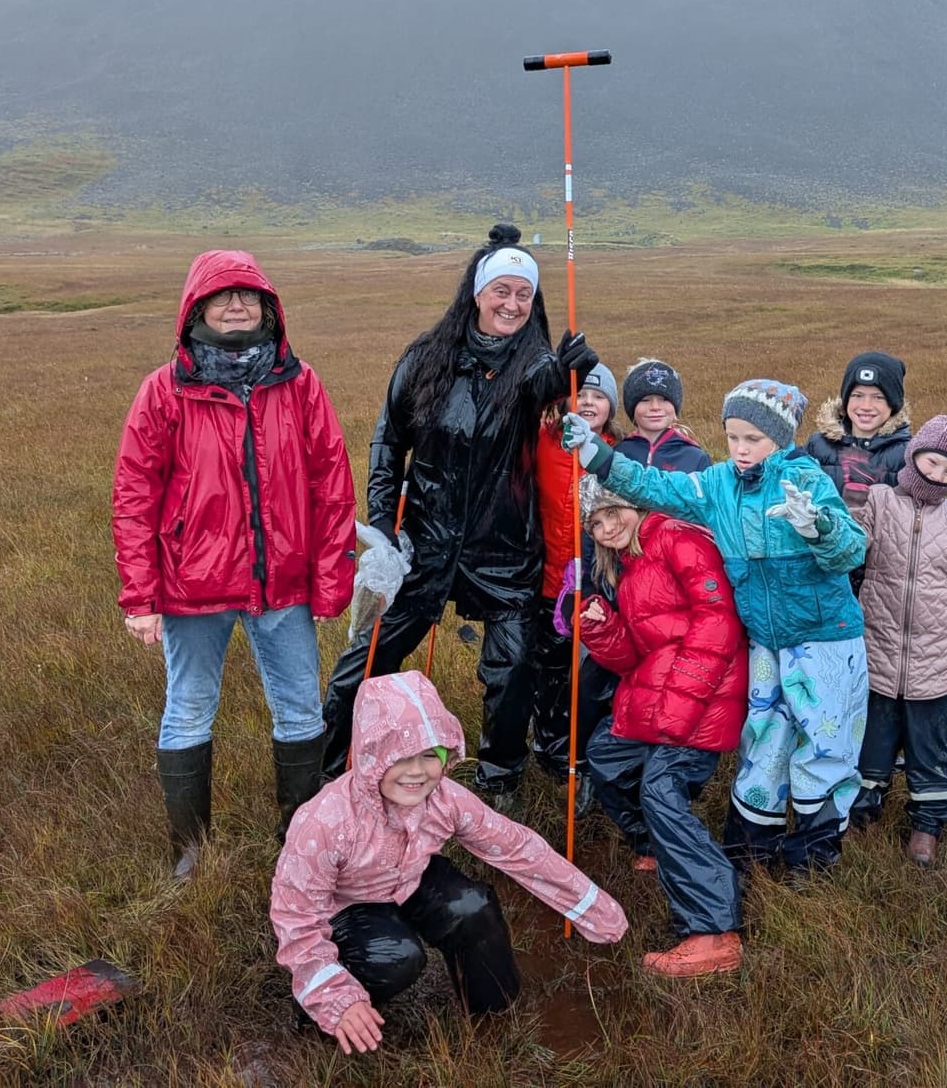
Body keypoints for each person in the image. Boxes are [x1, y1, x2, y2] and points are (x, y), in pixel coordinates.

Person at [317, 225, 599, 813]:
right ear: (476, 292)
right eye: (502, 291)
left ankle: (500, 776)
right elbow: (388, 443)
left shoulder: (536, 368)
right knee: (369, 657)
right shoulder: (425, 359)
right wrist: (382, 525)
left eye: (524, 294)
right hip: (425, 541)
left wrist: (578, 377)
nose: (512, 305)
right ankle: (325, 772)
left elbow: (551, 392)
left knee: (513, 666)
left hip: (505, 549)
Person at [112, 250, 357, 880]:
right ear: (195, 310)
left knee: (302, 710)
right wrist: (139, 596)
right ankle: (189, 856)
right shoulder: (164, 391)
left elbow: (332, 484)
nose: (237, 306)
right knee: (188, 708)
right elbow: (134, 495)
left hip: (285, 588)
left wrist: (333, 582)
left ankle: (298, 848)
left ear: (270, 309)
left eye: (249, 296)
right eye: (223, 297)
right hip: (191, 589)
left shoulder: (300, 384)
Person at [562, 379, 870, 877]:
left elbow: (852, 550)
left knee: (824, 743)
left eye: (754, 438)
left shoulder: (807, 480)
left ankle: (812, 860)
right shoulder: (718, 485)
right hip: (765, 640)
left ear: (782, 437)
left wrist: (819, 528)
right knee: (764, 741)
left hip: (824, 636)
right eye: (733, 437)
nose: (742, 449)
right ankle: (751, 850)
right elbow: (654, 487)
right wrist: (597, 453)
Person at [273, 672, 628, 1055]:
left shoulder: (445, 799)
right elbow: (296, 915)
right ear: (371, 756)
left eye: (431, 755)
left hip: (409, 878)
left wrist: (590, 903)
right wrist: (332, 995)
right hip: (347, 905)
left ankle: (492, 1015)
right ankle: (326, 1013)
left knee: (473, 907)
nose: (417, 771)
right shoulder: (325, 821)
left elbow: (518, 848)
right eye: (400, 757)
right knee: (397, 956)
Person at [577, 477, 749, 976]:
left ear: (636, 503)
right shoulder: (629, 565)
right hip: (659, 694)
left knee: (661, 788)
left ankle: (714, 930)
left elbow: (718, 625)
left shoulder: (678, 538)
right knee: (607, 757)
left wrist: (675, 714)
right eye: (596, 522)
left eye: (613, 513)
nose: (607, 528)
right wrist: (601, 628)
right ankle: (657, 843)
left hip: (705, 696)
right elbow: (634, 657)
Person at [847, 416, 947, 867]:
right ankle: (861, 813)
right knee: (870, 744)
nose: (936, 475)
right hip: (877, 650)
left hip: (941, 660)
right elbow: (851, 547)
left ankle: (927, 825)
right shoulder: (877, 500)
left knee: (931, 747)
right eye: (931, 462)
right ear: (914, 455)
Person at [531, 361, 620, 792]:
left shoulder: (615, 456)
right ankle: (549, 744)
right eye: (581, 393)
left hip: (598, 587)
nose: (588, 402)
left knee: (589, 676)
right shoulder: (544, 441)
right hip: (549, 582)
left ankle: (584, 749)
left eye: (599, 396)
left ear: (611, 408)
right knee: (550, 667)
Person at [804, 351, 912, 504]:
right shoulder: (818, 444)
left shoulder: (908, 453)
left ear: (893, 404)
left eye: (878, 397)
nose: (866, 406)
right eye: (857, 395)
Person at [617, 358, 711, 471]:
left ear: (676, 410)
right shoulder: (618, 453)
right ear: (632, 408)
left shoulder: (696, 458)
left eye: (664, 399)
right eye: (645, 400)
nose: (655, 407)